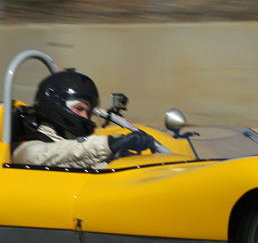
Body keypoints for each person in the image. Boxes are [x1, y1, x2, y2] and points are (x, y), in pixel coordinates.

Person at [12, 69, 154, 169]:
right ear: (56, 106)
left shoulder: (80, 147)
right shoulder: (26, 151)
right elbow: (59, 154)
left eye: (89, 111)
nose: (85, 117)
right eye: (79, 109)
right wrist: (110, 144)